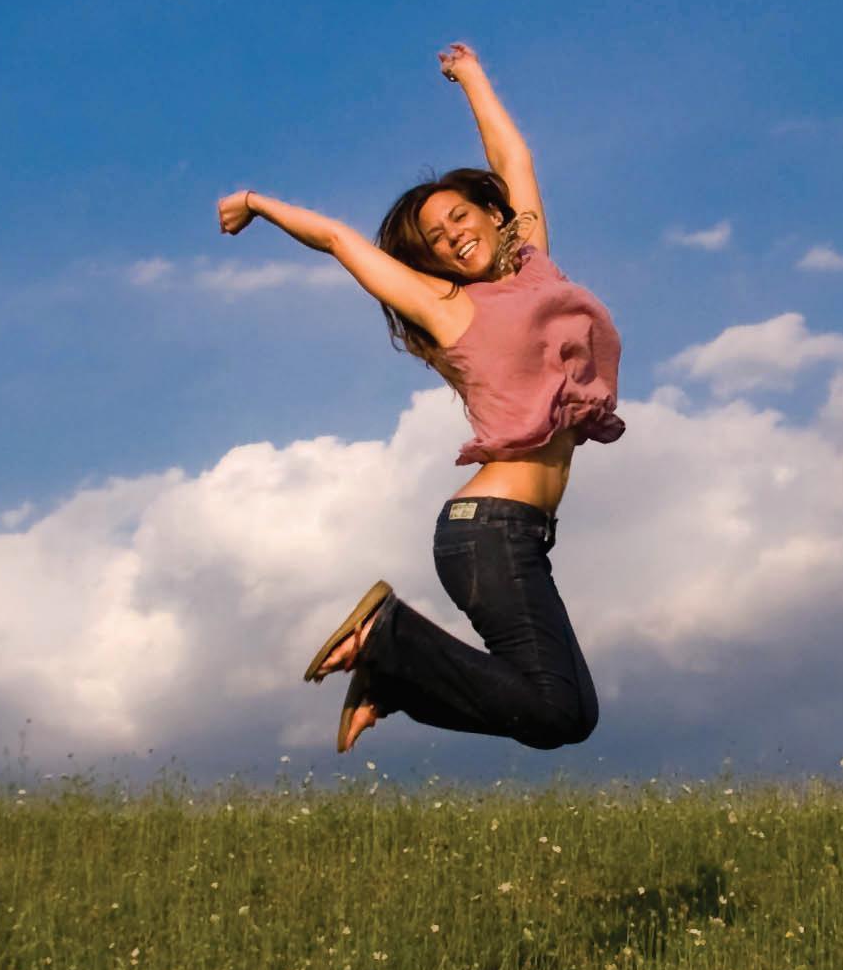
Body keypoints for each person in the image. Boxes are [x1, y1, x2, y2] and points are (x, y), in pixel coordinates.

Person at [214, 42, 622, 754]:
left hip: (521, 533)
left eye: (460, 218)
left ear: (493, 215)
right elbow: (338, 240)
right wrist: (255, 203)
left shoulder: (537, 265)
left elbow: (513, 158)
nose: (452, 236)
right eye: (435, 238)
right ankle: (389, 641)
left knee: (571, 715)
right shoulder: (447, 306)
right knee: (556, 713)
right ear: (429, 260)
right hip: (486, 529)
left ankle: (395, 675)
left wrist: (471, 76)